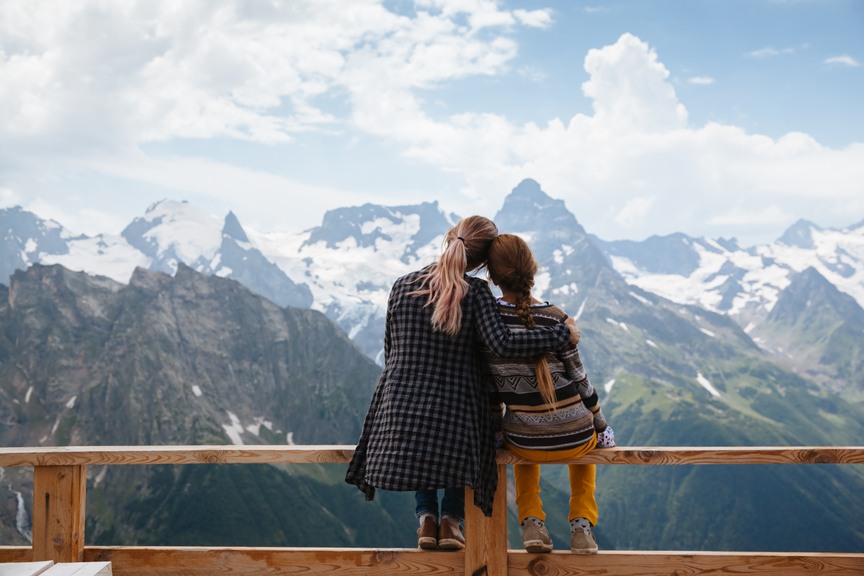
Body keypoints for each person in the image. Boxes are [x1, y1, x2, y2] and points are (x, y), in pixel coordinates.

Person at [345, 216, 580, 551]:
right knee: (466, 416)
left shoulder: (402, 285)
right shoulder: (477, 293)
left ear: (450, 239)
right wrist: (561, 334)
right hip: (456, 416)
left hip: (397, 411)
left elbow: (390, 351)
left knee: (424, 431)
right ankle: (451, 522)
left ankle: (426, 518)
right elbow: (502, 345)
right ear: (483, 262)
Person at [482, 233, 615, 555]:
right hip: (575, 437)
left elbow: (491, 391)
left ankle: (531, 521)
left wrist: (499, 431)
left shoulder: (489, 324)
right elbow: (581, 382)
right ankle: (582, 525)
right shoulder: (558, 318)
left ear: (493, 275)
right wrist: (600, 426)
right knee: (584, 456)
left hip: (524, 441)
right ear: (533, 269)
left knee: (524, 455)